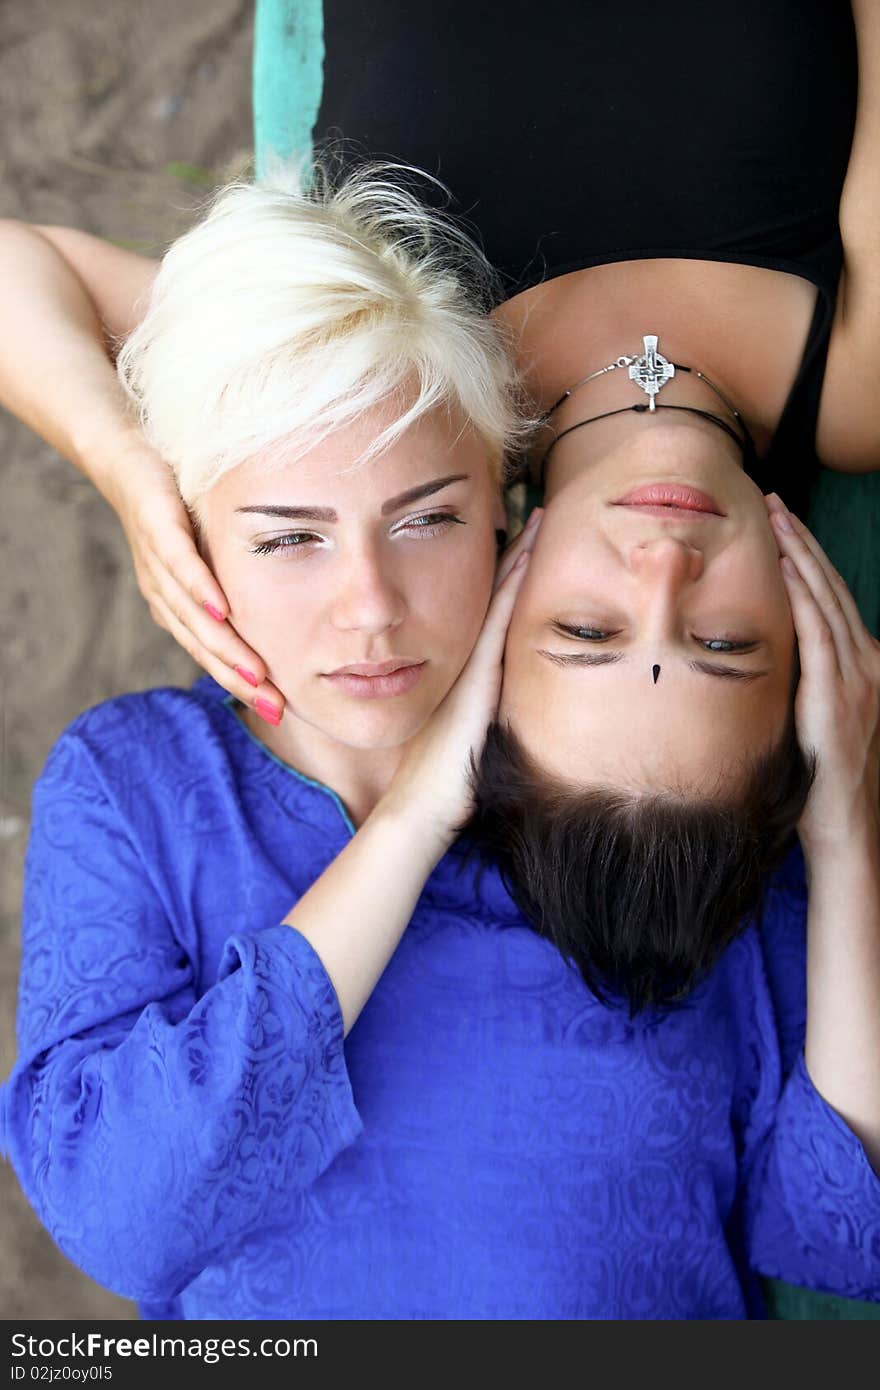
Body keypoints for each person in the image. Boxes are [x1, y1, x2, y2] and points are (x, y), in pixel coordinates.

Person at [2, 161, 879, 1319]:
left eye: (428, 519)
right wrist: (411, 823)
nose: (369, 606)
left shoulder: (651, 779)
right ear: (195, 537)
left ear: (511, 511)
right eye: (284, 540)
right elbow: (123, 1208)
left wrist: (847, 834)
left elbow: (841, 1228)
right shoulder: (140, 782)